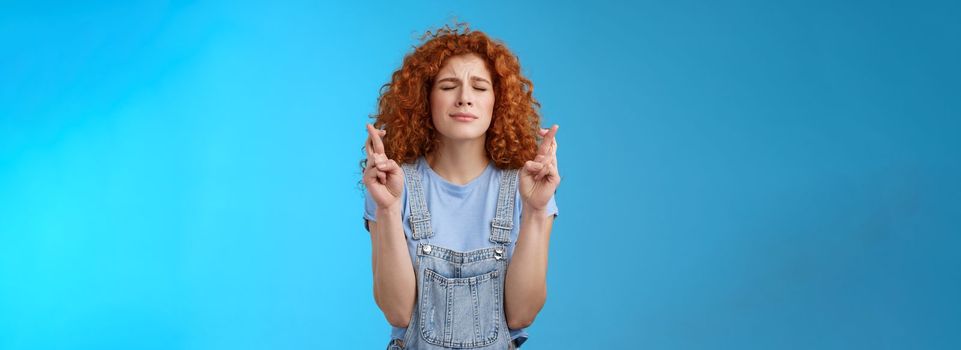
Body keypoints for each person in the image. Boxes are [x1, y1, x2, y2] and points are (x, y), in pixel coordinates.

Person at [362, 23, 560, 350]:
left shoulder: (527, 186)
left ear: (498, 101)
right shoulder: (393, 185)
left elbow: (521, 315)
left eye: (480, 88)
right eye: (448, 86)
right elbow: (397, 312)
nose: (464, 99)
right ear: (425, 98)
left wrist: (537, 211)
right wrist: (387, 208)